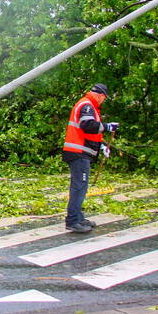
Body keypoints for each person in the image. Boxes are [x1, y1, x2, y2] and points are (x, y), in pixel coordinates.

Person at [62, 83, 119, 233]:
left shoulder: (87, 105)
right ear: (101, 95)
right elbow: (87, 125)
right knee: (79, 187)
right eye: (104, 98)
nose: (103, 101)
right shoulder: (87, 105)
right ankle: (73, 221)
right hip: (78, 152)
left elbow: (89, 132)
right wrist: (107, 126)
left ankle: (78, 217)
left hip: (80, 151)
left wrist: (101, 146)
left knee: (81, 186)